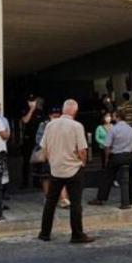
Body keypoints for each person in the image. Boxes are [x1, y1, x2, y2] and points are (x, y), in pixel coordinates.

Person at [38, 99, 95, 244]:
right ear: (75, 111)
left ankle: (44, 233)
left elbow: (44, 148)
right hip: (73, 169)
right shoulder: (77, 126)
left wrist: (52, 161)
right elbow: (82, 150)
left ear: (63, 110)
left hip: (56, 169)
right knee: (75, 203)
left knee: (50, 202)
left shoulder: (50, 125)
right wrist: (83, 163)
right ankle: (77, 234)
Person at [91, 109, 132, 209]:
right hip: (129, 156)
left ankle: (101, 198)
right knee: (131, 177)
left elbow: (107, 146)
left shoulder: (113, 129)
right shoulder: (131, 129)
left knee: (107, 176)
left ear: (117, 117)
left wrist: (107, 158)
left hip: (117, 156)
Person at [33, 106, 69, 208]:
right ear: (49, 116)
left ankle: (63, 199)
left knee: (62, 177)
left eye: (58, 116)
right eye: (54, 116)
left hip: (60, 155)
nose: (56, 118)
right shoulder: (43, 125)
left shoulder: (64, 125)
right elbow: (39, 140)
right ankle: (49, 198)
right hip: (47, 155)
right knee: (46, 177)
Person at [19, 95, 46, 188]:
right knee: (26, 161)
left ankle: (37, 181)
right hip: (28, 139)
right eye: (30, 101)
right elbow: (25, 120)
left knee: (38, 160)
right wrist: (31, 110)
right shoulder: (25, 111)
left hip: (38, 139)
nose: (32, 103)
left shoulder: (40, 112)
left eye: (33, 101)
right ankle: (24, 182)